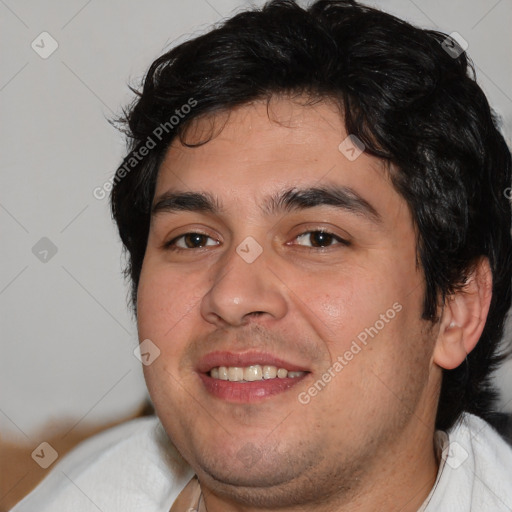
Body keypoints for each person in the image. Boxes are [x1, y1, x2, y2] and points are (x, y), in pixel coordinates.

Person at [12, 0, 512, 510]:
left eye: (318, 238)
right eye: (194, 239)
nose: (231, 295)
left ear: (456, 309)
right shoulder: (83, 492)